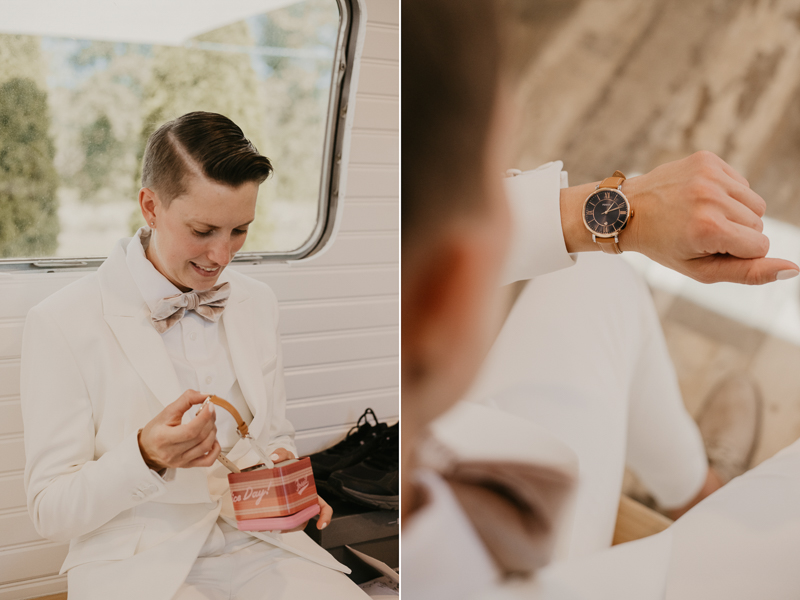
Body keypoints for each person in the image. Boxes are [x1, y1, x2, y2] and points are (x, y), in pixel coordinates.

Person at [402, 1, 800, 598]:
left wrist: (616, 211)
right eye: (499, 182)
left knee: (591, 276)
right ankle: (713, 506)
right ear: (450, 291)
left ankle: (697, 489)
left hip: (446, 482)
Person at [21, 112, 368, 600]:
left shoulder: (257, 302)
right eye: (203, 230)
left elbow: (273, 434)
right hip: (137, 560)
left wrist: (283, 473)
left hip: (260, 543)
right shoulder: (60, 322)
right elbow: (49, 510)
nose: (222, 256)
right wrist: (145, 455)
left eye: (240, 231)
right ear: (150, 206)